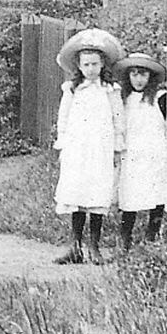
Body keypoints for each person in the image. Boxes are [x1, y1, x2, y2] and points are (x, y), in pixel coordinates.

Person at [52, 28, 125, 266]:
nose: (91, 69)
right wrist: (63, 145)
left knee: (97, 194)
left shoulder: (110, 90)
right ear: (79, 66)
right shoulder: (72, 90)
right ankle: (74, 246)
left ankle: (94, 245)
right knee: (77, 192)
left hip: (100, 149)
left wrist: (117, 148)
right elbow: (63, 119)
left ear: (103, 64)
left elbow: (118, 119)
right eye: (86, 65)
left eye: (95, 64)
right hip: (78, 148)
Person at [114, 53, 167, 255]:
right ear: (128, 76)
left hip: (154, 153)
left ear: (150, 77)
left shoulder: (160, 98)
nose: (138, 79)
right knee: (129, 196)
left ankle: (152, 236)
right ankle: (125, 239)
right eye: (134, 74)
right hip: (131, 154)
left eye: (143, 74)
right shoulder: (122, 98)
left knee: (157, 194)